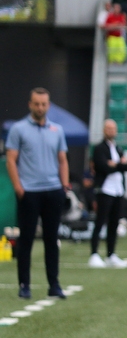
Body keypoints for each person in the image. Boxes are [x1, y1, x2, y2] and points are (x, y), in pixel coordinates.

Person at [5, 88, 70, 300]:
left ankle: (54, 284)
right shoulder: (18, 129)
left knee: (52, 240)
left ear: (48, 105)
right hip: (29, 193)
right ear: (30, 104)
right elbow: (11, 160)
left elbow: (62, 160)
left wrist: (64, 185)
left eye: (43, 104)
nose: (40, 107)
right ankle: (24, 285)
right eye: (36, 104)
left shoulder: (57, 130)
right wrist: (18, 188)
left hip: (53, 192)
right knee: (26, 240)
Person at [89, 119, 127, 269]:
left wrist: (116, 164)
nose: (111, 131)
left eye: (113, 128)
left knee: (114, 223)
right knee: (100, 222)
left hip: (118, 190)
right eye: (108, 128)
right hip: (105, 190)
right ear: (103, 130)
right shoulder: (99, 148)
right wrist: (118, 164)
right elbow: (103, 167)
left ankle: (110, 255)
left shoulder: (118, 148)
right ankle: (94, 254)